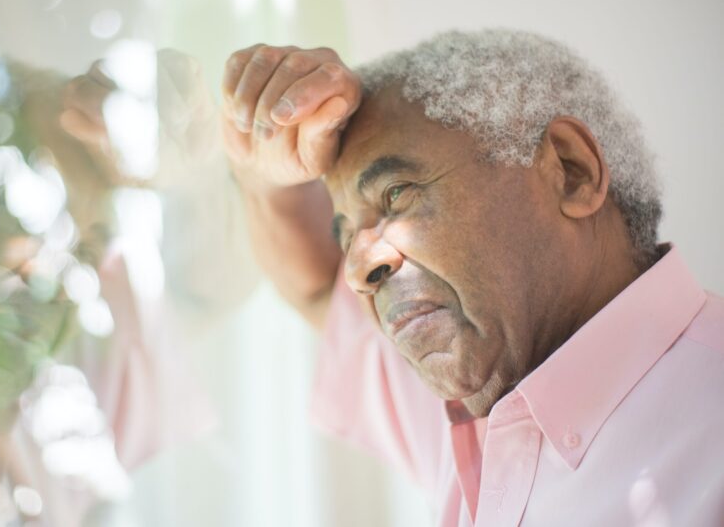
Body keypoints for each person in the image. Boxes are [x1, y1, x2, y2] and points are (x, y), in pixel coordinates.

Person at [221, 30, 724, 526]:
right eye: (346, 233)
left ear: (570, 171)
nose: (356, 270)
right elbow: (312, 285)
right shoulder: (473, 368)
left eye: (397, 194)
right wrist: (261, 159)